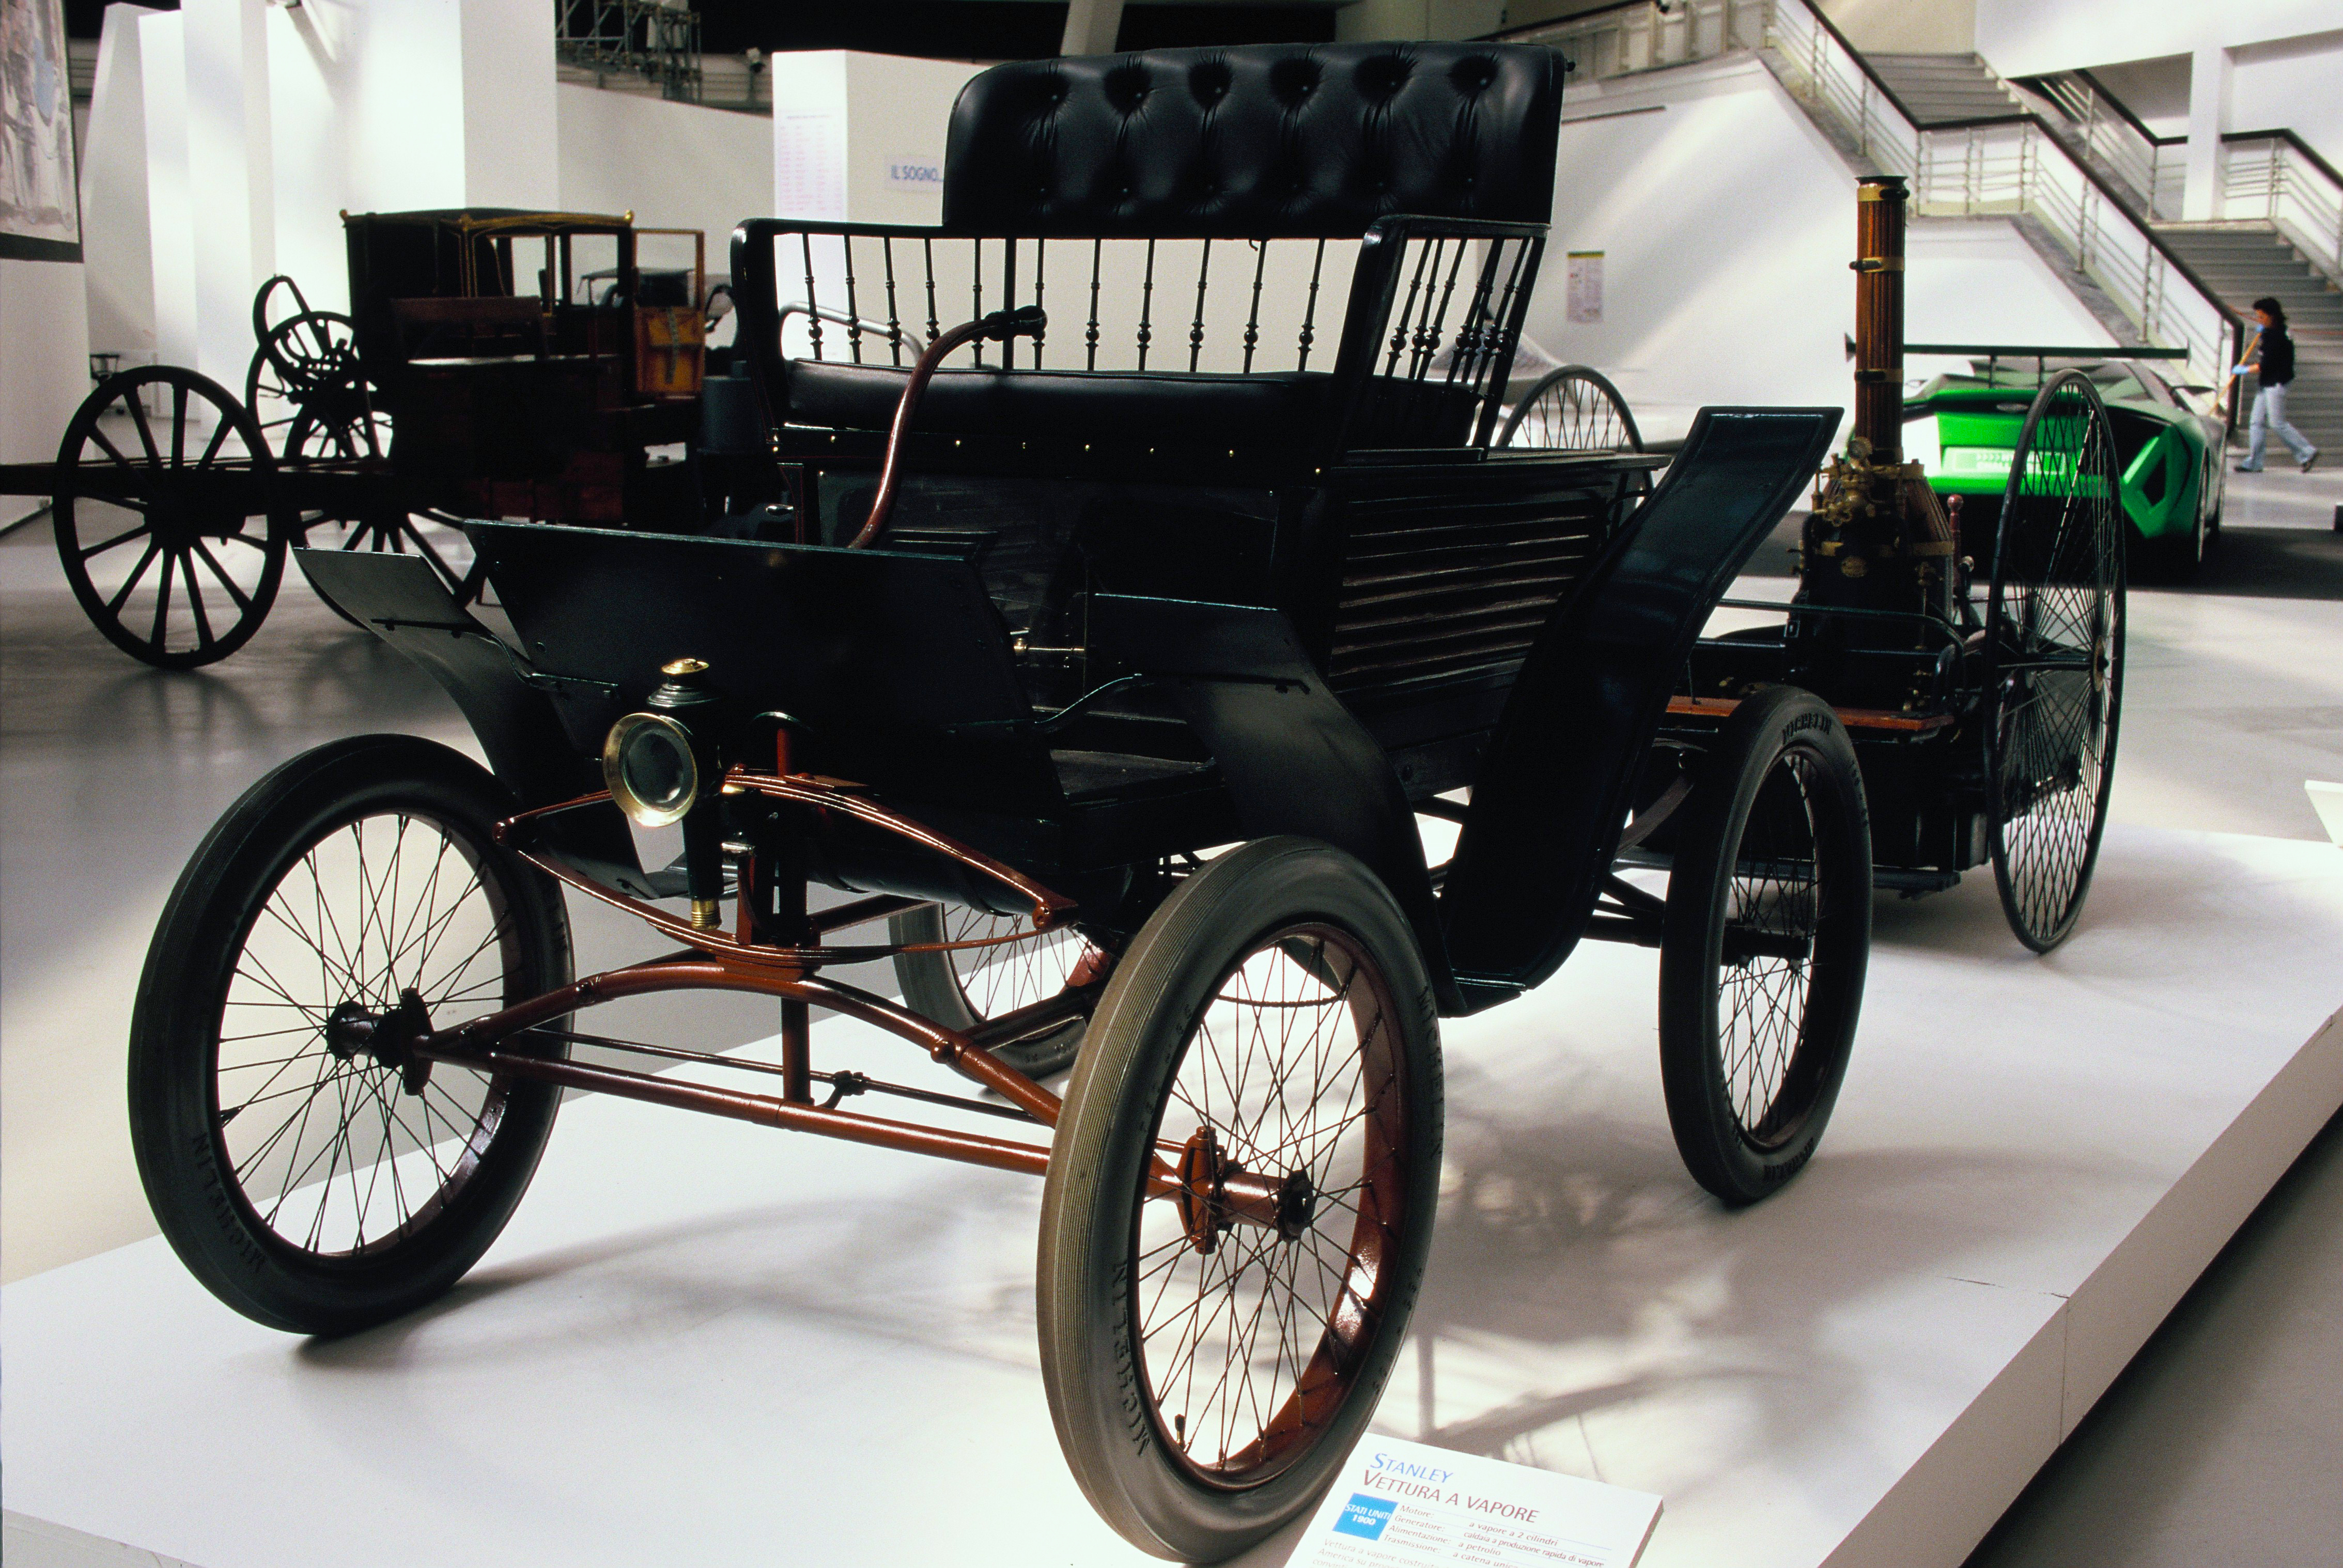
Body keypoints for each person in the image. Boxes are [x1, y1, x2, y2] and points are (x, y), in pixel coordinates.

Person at [2233, 297, 2318, 472]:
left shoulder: (2278, 337)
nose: (2260, 320)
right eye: (2258, 317)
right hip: (2267, 382)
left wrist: (2244, 370)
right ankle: (2255, 462)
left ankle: (2307, 452)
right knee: (2256, 422)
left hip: (2277, 382)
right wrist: (2264, 332)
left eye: (2262, 317)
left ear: (2272, 316)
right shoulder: (2271, 332)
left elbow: (2265, 365)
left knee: (2277, 423)